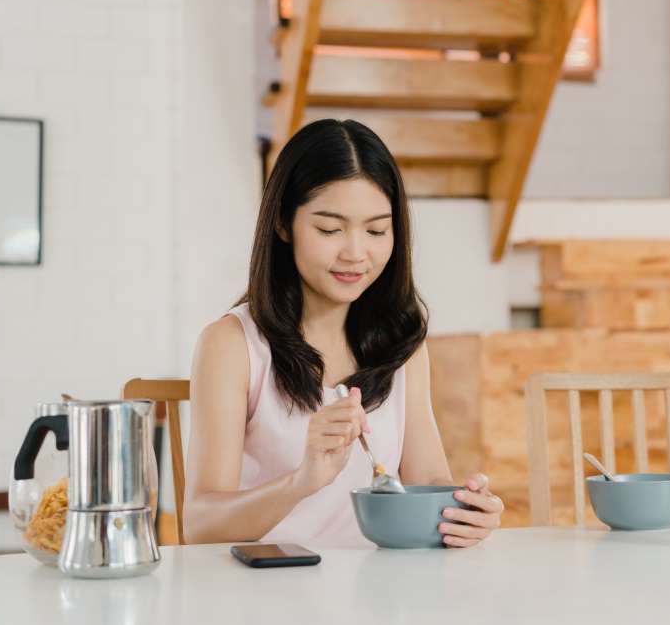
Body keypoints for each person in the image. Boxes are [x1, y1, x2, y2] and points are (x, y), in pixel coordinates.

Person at [184, 119, 503, 548]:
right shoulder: (232, 344)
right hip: (267, 592)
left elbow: (427, 480)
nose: (355, 254)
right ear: (282, 224)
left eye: (375, 230)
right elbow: (200, 525)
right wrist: (301, 481)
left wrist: (465, 512)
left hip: (376, 596)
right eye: (330, 229)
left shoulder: (402, 345)